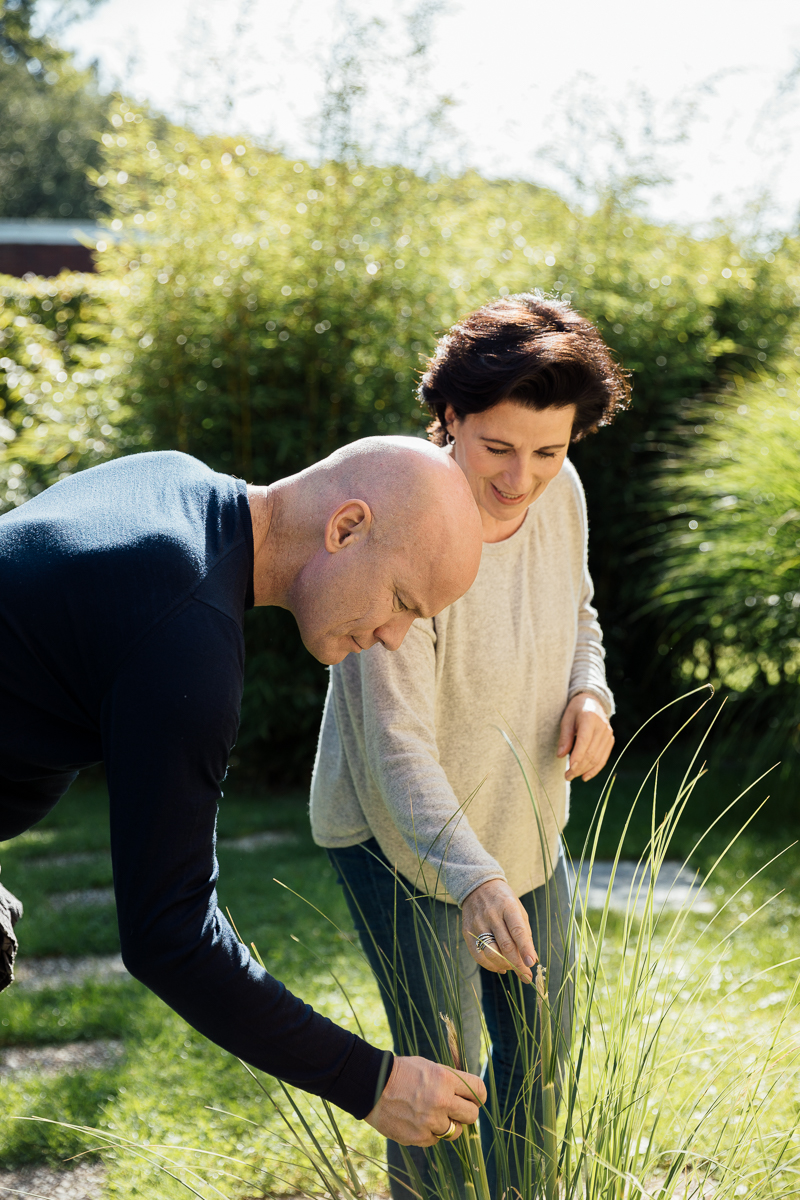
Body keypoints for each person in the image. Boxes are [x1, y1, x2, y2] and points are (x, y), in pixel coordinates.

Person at [0, 435, 487, 1148]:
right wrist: (372, 1082)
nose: (393, 637)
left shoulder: (172, 485)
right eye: (401, 601)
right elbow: (170, 938)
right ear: (345, 527)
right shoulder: (184, 636)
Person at [310, 293, 630, 1194]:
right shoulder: (399, 523)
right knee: (442, 1084)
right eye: (497, 448)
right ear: (449, 418)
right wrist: (473, 877)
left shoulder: (560, 491)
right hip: (402, 838)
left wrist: (589, 691)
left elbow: (579, 613)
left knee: (540, 1054)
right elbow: (394, 750)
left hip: (519, 816)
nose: (521, 478)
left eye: (548, 451)